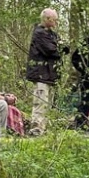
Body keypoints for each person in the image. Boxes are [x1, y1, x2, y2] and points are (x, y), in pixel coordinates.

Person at [25, 8, 69, 136]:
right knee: (40, 103)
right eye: (54, 19)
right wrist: (58, 46)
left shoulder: (52, 34)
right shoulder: (39, 33)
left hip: (50, 75)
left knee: (48, 104)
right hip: (41, 74)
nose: (56, 22)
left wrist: (59, 46)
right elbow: (51, 50)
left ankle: (42, 129)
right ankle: (36, 129)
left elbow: (65, 48)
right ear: (47, 19)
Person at [0, 49, 25, 136]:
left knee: (3, 102)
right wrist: (6, 99)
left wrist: (4, 94)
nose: (0, 65)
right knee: (1, 104)